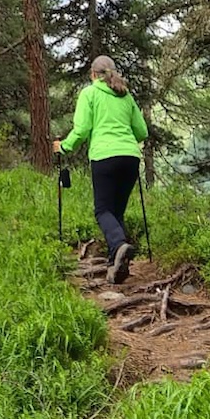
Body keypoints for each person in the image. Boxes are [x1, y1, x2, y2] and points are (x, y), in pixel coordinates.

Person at [55, 55, 148, 284]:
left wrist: (64, 146)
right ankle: (116, 267)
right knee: (116, 212)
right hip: (130, 157)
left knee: (102, 210)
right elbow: (142, 132)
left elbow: (82, 129)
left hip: (104, 157)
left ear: (93, 74)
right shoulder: (126, 95)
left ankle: (118, 244)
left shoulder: (89, 94)